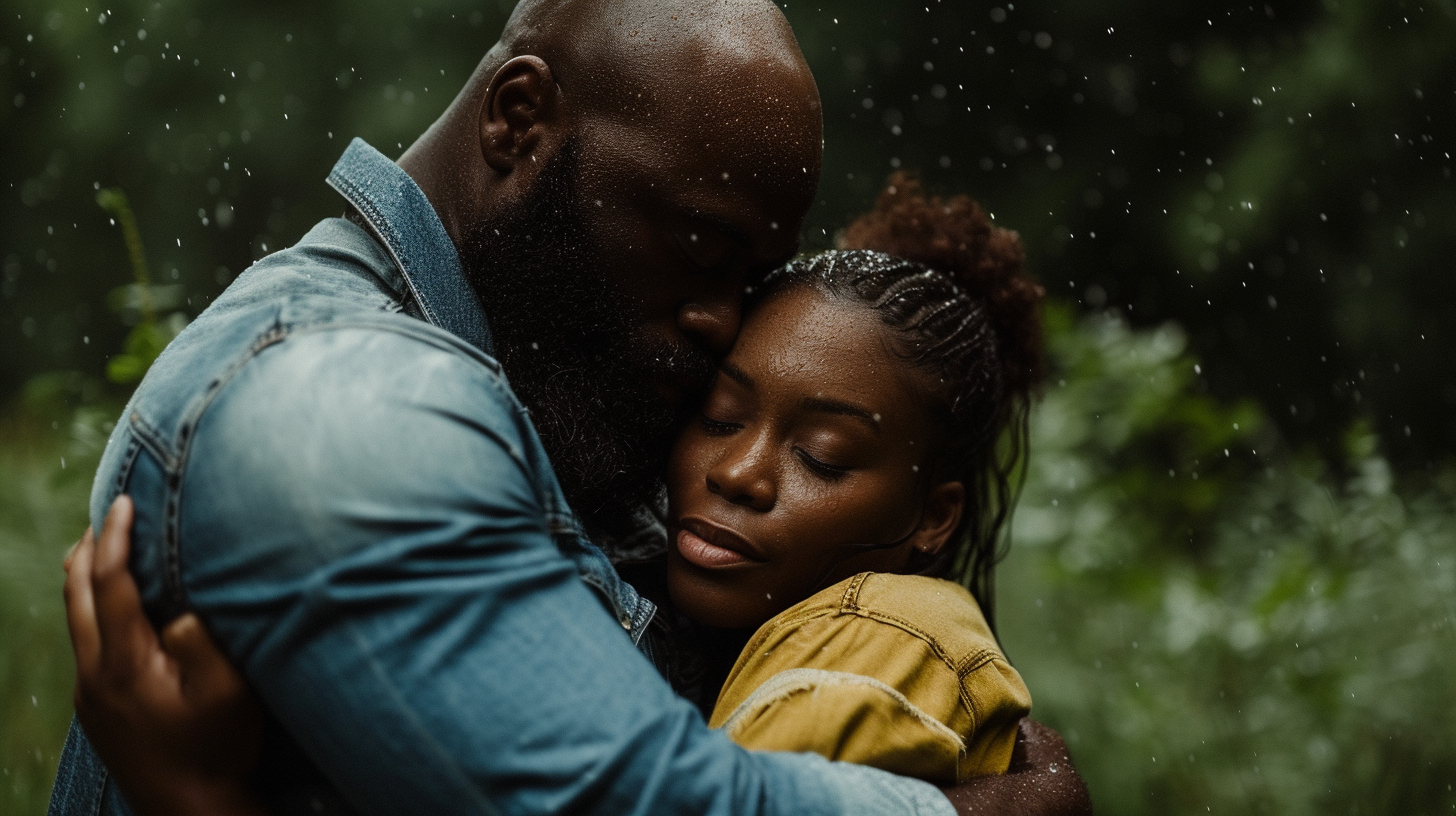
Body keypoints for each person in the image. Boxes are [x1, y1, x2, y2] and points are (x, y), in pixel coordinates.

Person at [52, 0, 1091, 813]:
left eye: (750, 277)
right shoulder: (341, 404)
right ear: (519, 120)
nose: (719, 320)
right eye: (696, 244)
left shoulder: (558, 382)